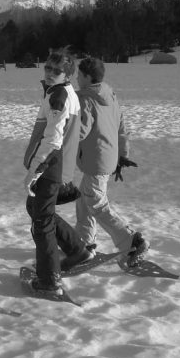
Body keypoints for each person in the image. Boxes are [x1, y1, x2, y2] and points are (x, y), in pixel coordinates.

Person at [21, 47, 92, 295]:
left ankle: (49, 279)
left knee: (42, 221)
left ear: (67, 75)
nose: (50, 73)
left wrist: (36, 169)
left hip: (51, 167)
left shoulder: (59, 96)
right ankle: (76, 250)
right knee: (37, 208)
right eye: (48, 68)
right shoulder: (60, 91)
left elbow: (53, 139)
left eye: (57, 70)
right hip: (58, 165)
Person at [65, 57, 148, 268]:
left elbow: (81, 132)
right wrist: (122, 154)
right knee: (84, 199)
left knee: (96, 203)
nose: (76, 78)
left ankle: (131, 241)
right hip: (107, 157)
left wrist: (63, 126)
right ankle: (84, 243)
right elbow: (121, 127)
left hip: (96, 160)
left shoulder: (86, 100)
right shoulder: (109, 95)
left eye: (79, 75)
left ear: (87, 77)